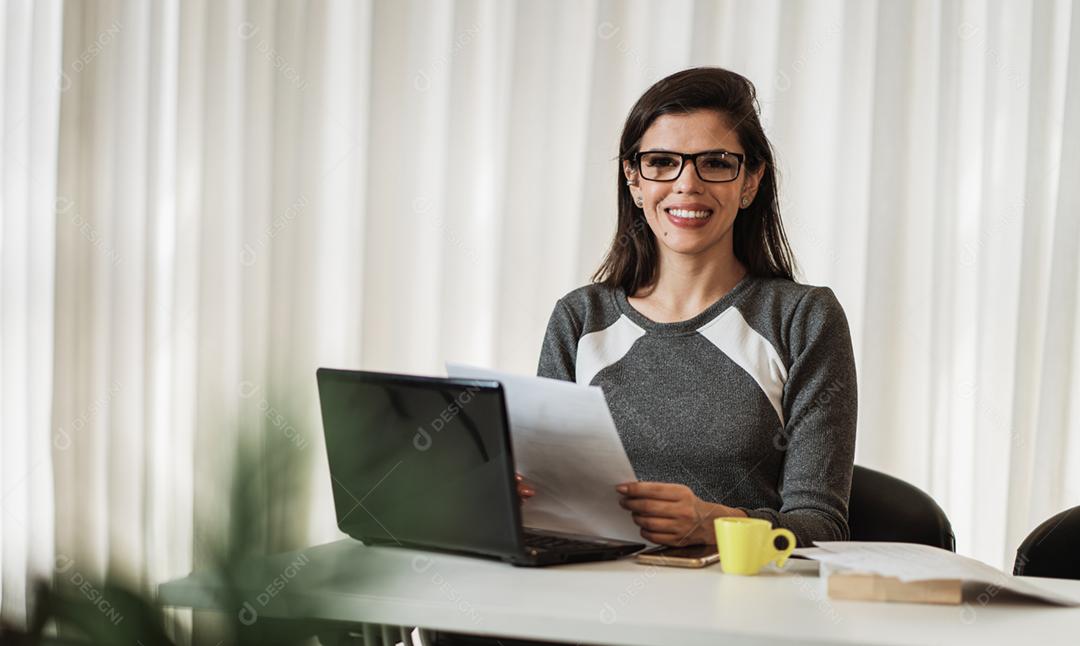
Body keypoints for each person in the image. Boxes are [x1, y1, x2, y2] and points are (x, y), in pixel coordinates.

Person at [529, 67, 857, 548]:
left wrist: (713, 525)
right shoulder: (579, 319)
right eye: (662, 162)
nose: (687, 184)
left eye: (717, 163)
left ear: (750, 181)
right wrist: (520, 499)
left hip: (735, 609)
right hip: (586, 605)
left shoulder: (802, 319)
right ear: (634, 180)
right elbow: (552, 503)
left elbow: (822, 527)